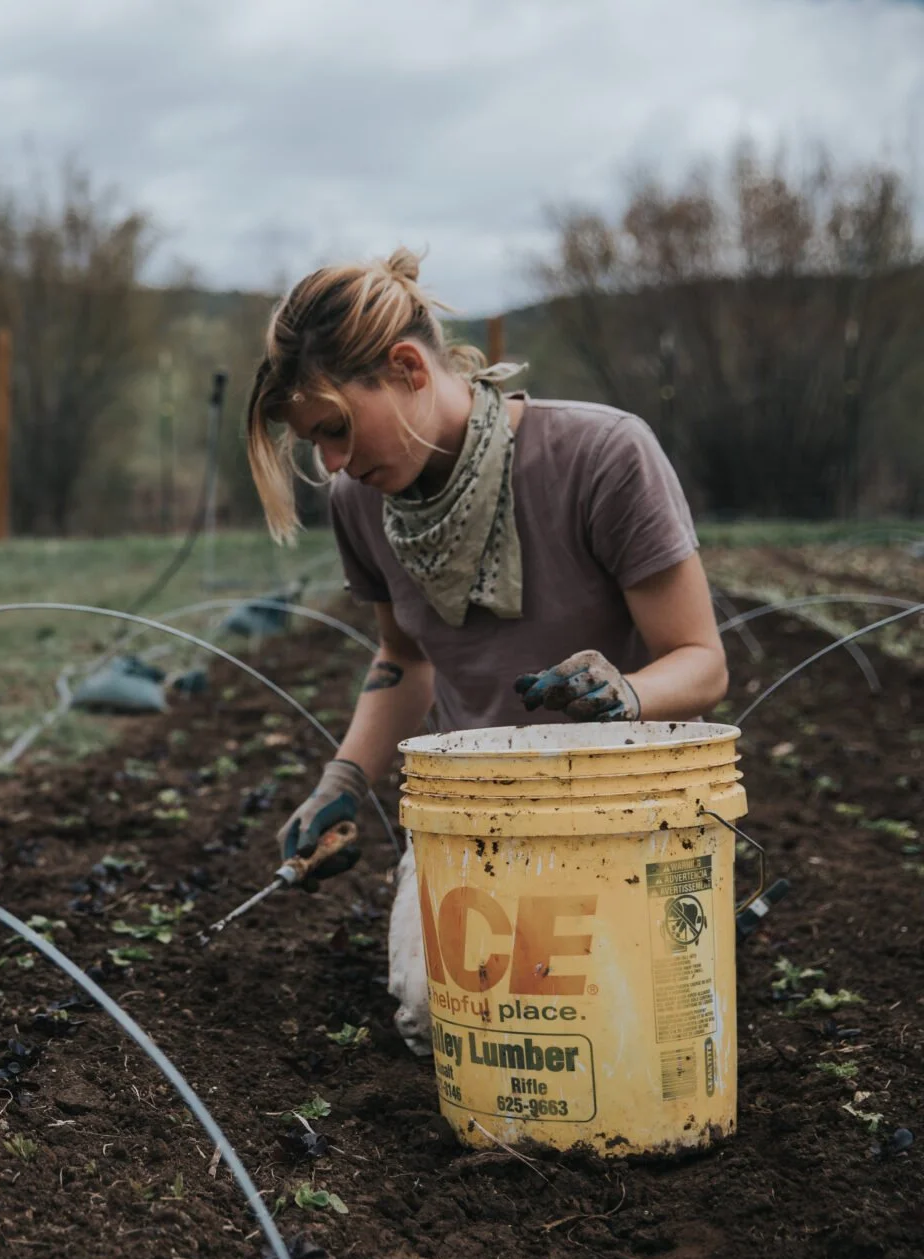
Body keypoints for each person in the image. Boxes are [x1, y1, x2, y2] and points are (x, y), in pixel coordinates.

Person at [241, 249, 728, 1053]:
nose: (329, 462)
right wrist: (342, 782)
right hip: (471, 814)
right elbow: (405, 660)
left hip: (623, 806)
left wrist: (629, 693)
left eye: (334, 429)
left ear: (406, 368)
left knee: (617, 1022)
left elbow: (701, 661)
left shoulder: (602, 456)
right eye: (313, 442)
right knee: (445, 1021)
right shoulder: (362, 504)